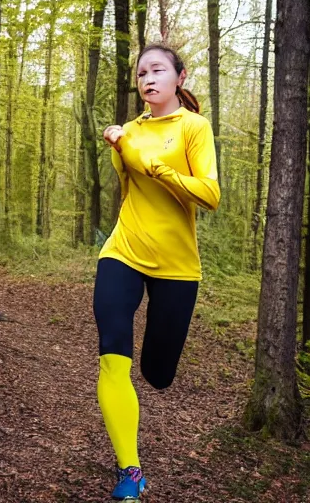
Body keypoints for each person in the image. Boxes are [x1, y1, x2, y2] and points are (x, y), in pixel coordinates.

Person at [94, 43, 220, 501]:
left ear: (179, 78)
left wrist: (152, 164)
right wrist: (120, 144)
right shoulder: (127, 131)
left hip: (177, 265)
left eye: (158, 70)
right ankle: (131, 471)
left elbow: (209, 194)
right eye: (141, 72)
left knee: (158, 374)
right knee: (112, 356)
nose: (147, 78)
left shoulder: (194, 127)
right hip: (122, 251)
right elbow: (130, 192)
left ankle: (155, 371)